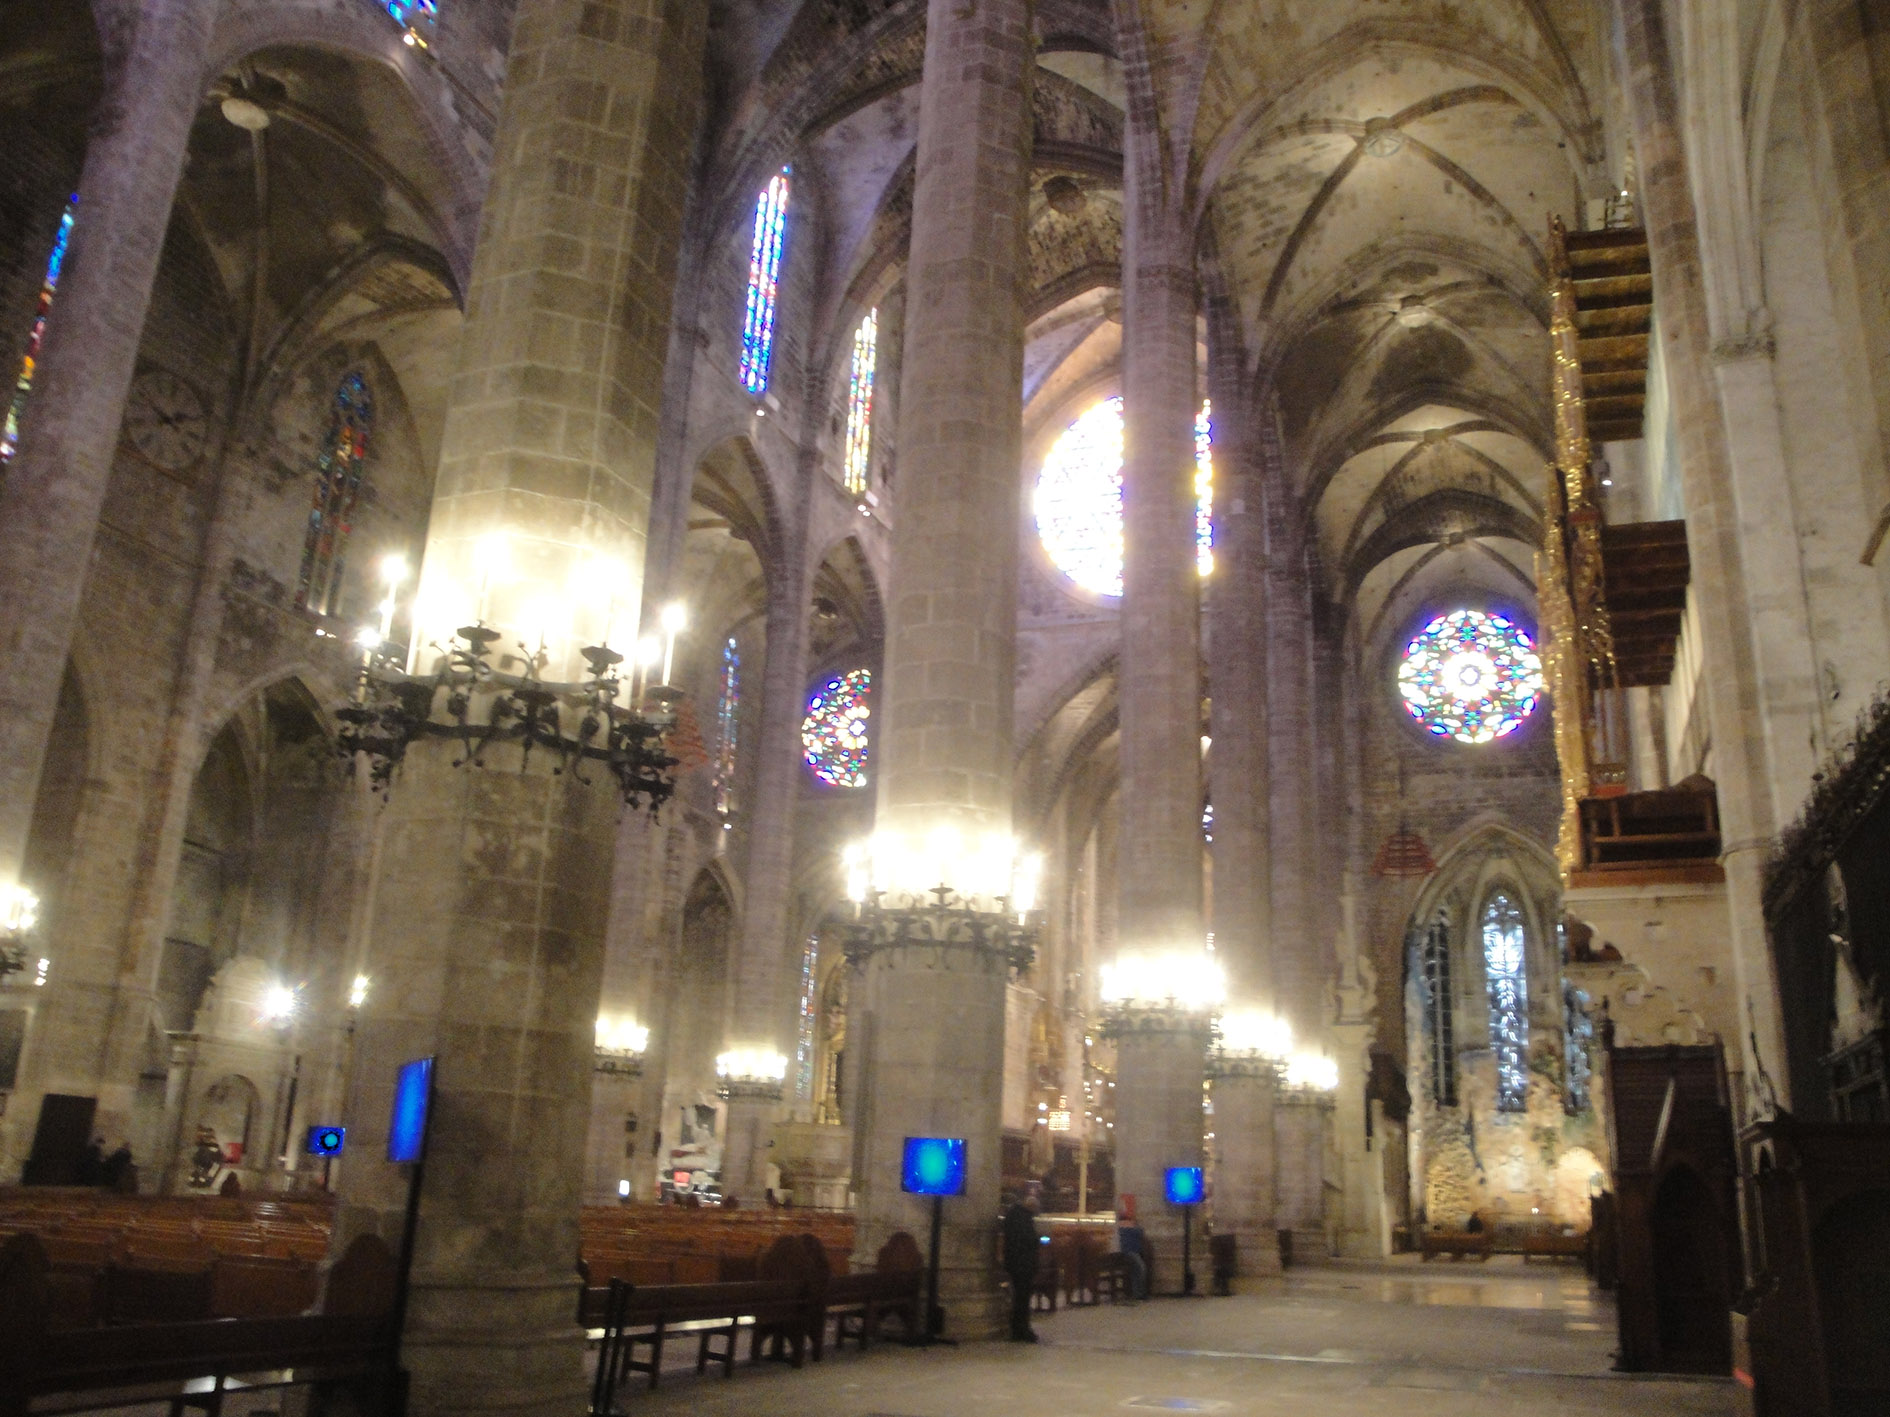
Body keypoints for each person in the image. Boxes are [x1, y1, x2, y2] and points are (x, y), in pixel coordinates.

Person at [1001, 1192, 1041, 1342]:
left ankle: (1019, 1329)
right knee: (1022, 1299)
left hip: (1017, 1264)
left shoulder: (1016, 1215)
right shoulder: (1021, 1218)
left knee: (1020, 1298)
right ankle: (1021, 1330)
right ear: (1031, 1207)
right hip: (1022, 1265)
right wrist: (1037, 1240)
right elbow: (1027, 1239)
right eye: (1036, 1211)